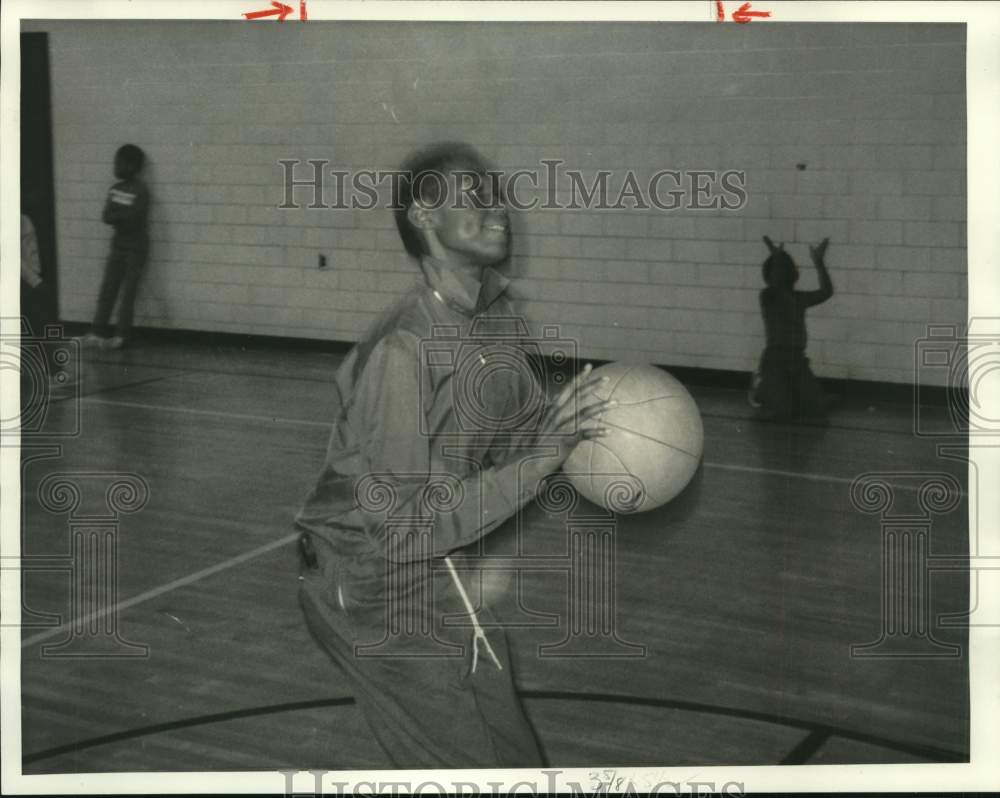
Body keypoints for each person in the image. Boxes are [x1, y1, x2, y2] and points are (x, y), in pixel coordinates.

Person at [295, 142, 612, 768]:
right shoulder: (404, 349)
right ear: (423, 217)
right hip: (371, 579)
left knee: (515, 761)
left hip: (432, 567)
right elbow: (403, 523)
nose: (497, 208)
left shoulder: (497, 319)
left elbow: (516, 440)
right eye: (473, 194)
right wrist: (541, 459)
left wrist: (579, 430)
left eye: (497, 194)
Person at [749, 235, 836, 420]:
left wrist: (819, 263)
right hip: (775, 361)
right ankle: (760, 391)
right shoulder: (768, 297)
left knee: (815, 408)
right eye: (778, 270)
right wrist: (777, 257)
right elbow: (777, 288)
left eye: (785, 270)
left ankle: (794, 394)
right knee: (780, 412)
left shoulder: (798, 298)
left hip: (797, 360)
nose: (782, 273)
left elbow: (826, 292)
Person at [83, 144, 150, 350]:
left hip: (136, 248)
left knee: (128, 293)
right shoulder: (114, 189)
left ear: (131, 166)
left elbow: (136, 219)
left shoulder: (141, 190)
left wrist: (118, 216)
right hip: (118, 246)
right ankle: (97, 331)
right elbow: (106, 216)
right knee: (108, 289)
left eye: (119, 163)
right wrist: (123, 215)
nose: (115, 167)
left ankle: (121, 335)